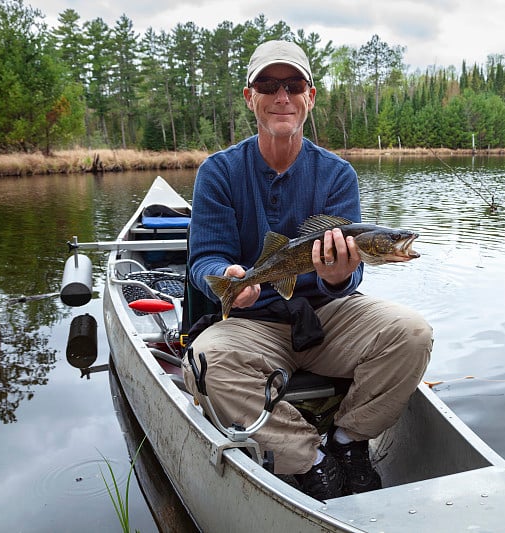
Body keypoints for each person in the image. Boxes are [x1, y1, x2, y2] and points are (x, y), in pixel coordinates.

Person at [182, 40, 433, 500]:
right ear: (249, 97)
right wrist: (231, 279)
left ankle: (349, 441)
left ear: (310, 97)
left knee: (412, 333)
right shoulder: (217, 173)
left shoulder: (337, 174)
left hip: (327, 317)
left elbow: (350, 281)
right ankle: (311, 460)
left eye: (294, 85)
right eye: (269, 85)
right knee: (203, 363)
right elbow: (205, 260)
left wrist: (338, 276)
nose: (283, 96)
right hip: (250, 323)